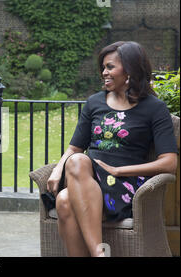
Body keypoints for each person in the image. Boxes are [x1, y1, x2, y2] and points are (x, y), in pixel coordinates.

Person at [47, 41, 178, 257]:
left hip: (123, 185)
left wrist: (118, 171)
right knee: (76, 163)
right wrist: (57, 169)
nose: (103, 72)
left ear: (129, 70)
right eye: (103, 67)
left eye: (110, 67)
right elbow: (74, 148)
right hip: (86, 179)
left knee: (64, 200)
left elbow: (169, 162)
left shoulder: (155, 108)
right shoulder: (94, 103)